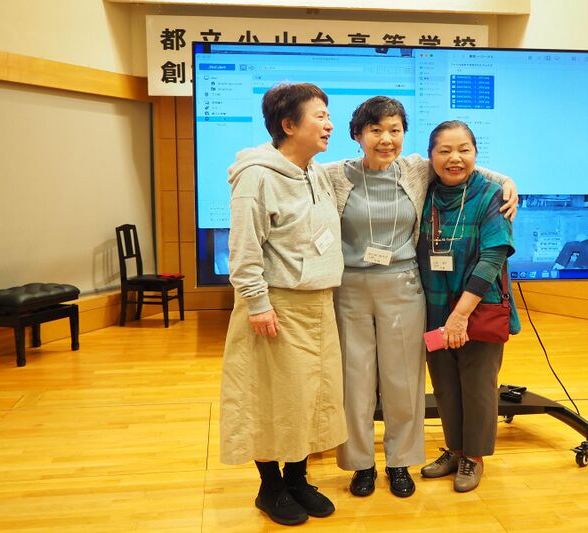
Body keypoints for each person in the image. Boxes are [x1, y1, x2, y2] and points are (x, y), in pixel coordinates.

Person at [324, 98, 518, 498]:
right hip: (354, 290)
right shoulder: (334, 175)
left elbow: (462, 165)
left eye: (395, 130)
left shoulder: (415, 170)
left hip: (405, 289)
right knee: (356, 383)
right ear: (357, 134)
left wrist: (507, 181)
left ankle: (400, 462)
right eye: (375, 130)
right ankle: (361, 464)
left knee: (404, 382)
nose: (386, 139)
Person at [219, 83, 346, 526]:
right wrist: (257, 304)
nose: (329, 124)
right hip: (277, 306)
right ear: (288, 125)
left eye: (328, 115)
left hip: (319, 304)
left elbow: (385, 161)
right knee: (270, 398)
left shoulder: (317, 172)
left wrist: (505, 180)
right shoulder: (256, 176)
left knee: (308, 397)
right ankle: (270, 486)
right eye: (319, 116)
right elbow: (244, 250)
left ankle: (297, 478)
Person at [416, 120, 521, 493]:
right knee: (444, 385)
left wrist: (460, 315)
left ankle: (474, 457)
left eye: (464, 150)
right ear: (431, 156)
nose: (455, 158)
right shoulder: (424, 192)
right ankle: (456, 449)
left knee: (477, 386)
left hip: (478, 308)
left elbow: (493, 257)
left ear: (476, 154)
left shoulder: (492, 195)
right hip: (434, 306)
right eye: (444, 151)